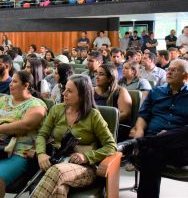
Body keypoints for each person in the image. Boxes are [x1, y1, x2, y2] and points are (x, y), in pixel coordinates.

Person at [32, 74, 116, 198]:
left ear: (82, 95)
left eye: (69, 91)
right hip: (58, 161)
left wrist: (86, 157)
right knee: (59, 190)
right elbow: (42, 135)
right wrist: (41, 153)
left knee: (57, 171)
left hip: (85, 168)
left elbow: (111, 146)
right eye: (65, 89)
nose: (64, 93)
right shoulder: (57, 109)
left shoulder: (93, 115)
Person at [118, 59, 188, 198]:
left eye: (174, 70)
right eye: (169, 69)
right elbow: (143, 115)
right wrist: (139, 131)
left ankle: (139, 143)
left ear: (185, 76)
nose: (169, 72)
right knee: (151, 155)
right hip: (156, 147)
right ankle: (145, 141)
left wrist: (171, 134)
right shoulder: (156, 92)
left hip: (180, 147)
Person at [0, 70, 47, 198]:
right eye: (11, 81)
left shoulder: (36, 104)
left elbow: (25, 125)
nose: (10, 84)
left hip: (19, 151)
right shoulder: (4, 100)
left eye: (15, 81)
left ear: (26, 85)